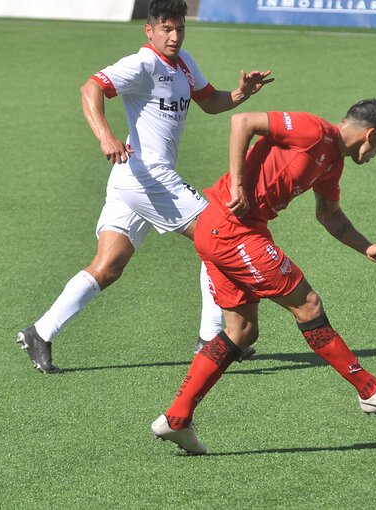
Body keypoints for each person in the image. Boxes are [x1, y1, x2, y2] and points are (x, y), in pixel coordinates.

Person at [150, 99, 376, 454]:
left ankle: (177, 418)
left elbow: (330, 216)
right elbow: (243, 121)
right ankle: (370, 390)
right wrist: (237, 184)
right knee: (308, 305)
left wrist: (367, 247)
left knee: (242, 332)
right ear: (369, 134)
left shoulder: (332, 163)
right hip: (232, 230)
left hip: (226, 230)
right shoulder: (313, 130)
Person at [16, 0, 273, 373]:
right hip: (149, 177)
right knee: (220, 235)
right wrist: (106, 137)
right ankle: (210, 338)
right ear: (149, 30)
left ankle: (40, 332)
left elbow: (211, 102)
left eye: (180, 28)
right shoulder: (142, 63)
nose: (174, 36)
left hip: (129, 181)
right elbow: (90, 89)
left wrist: (241, 94)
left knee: (108, 266)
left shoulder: (184, 62)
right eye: (166, 28)